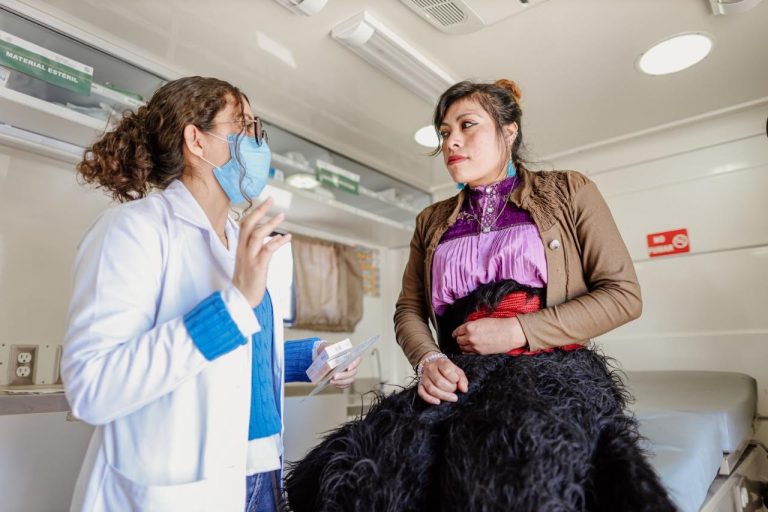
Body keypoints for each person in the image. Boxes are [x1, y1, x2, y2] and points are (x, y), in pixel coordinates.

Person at [285, 80, 675, 511]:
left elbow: (623, 295)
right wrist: (429, 360)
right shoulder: (430, 221)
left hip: (550, 371)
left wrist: (518, 330)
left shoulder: (569, 191)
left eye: (467, 125)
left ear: (509, 131)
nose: (450, 141)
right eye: (443, 132)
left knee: (518, 472)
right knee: (353, 476)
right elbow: (409, 309)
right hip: (459, 376)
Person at [61, 76, 360, 512]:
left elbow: (235, 353)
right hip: (184, 485)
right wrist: (233, 305)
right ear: (196, 140)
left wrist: (311, 357)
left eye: (258, 130)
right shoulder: (132, 230)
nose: (258, 143)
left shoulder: (239, 238)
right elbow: (93, 388)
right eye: (244, 127)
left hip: (263, 470)